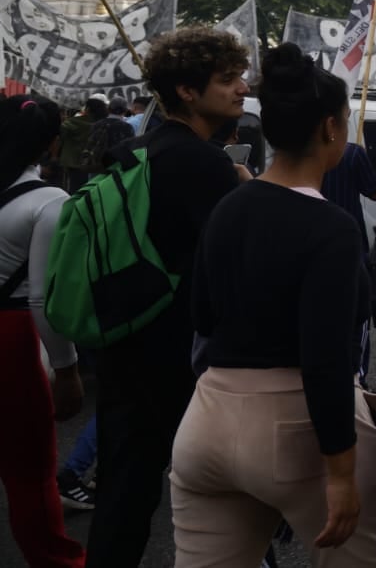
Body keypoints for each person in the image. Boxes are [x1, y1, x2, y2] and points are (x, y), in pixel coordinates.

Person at [169, 45, 376, 565]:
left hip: (207, 421)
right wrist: (341, 471)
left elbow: (201, 316)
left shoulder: (229, 206)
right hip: (297, 428)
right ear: (330, 129)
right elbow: (326, 358)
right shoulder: (332, 230)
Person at [86, 29, 248, 567]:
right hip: (182, 356)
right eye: (226, 80)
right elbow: (232, 267)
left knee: (122, 497)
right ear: (185, 91)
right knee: (214, 506)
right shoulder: (206, 165)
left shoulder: (129, 152)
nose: (241, 89)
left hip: (121, 338)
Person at [0, 95, 87, 567]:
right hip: (11, 340)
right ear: (52, 143)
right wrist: (67, 368)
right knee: (29, 470)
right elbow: (40, 295)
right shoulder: (49, 201)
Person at [321, 142, 376, 384]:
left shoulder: (305, 152)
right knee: (357, 321)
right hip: (351, 247)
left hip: (316, 242)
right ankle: (357, 381)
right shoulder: (354, 153)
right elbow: (374, 191)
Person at [58, 100, 94, 193]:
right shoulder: (99, 123)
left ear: (87, 109)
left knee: (71, 187)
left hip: (71, 161)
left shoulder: (72, 122)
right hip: (89, 161)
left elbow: (61, 136)